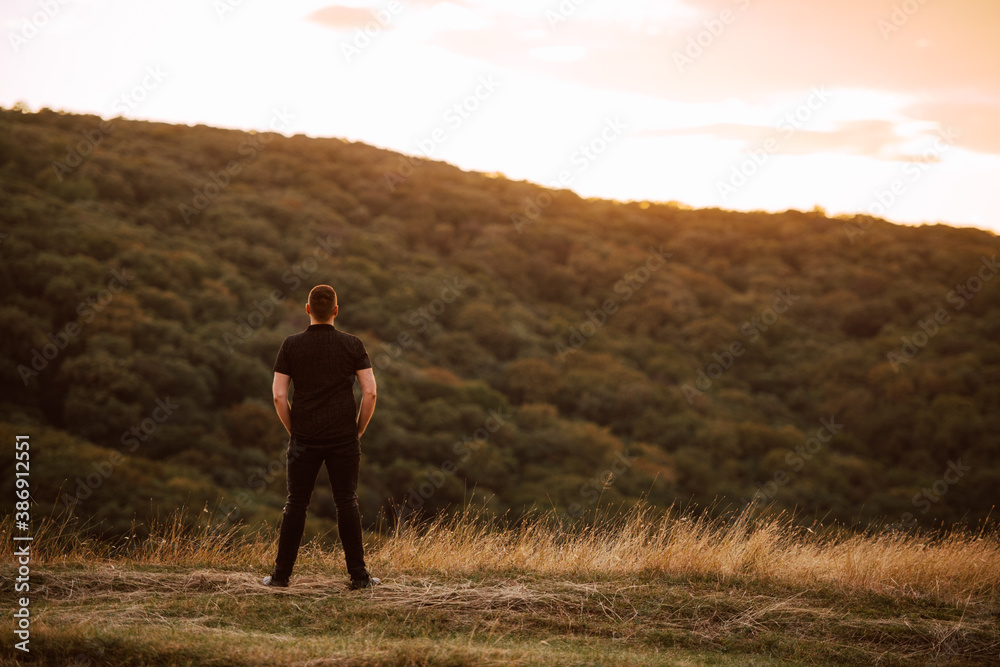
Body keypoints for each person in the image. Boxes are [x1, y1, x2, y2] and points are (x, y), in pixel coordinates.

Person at [263, 284, 379, 590]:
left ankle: (280, 577)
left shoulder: (290, 345)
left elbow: (278, 395)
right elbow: (370, 391)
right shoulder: (352, 344)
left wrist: (294, 431)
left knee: (296, 503)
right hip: (343, 436)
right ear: (336, 312)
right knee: (347, 502)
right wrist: (358, 430)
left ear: (307, 309)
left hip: (304, 438)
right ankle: (359, 577)